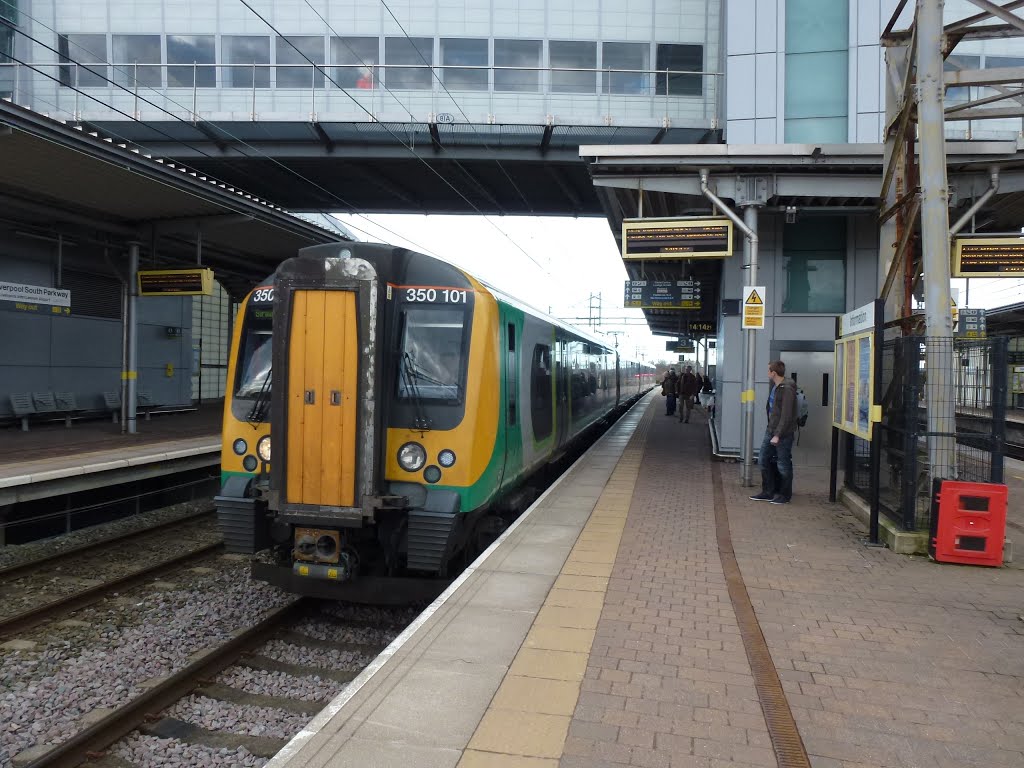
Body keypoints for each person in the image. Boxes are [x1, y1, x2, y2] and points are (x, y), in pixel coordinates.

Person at [750, 360, 798, 504]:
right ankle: (768, 492)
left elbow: (786, 415)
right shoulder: (777, 387)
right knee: (763, 460)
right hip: (771, 430)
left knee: (783, 464)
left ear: (774, 373)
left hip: (782, 434)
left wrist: (777, 434)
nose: (767, 373)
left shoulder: (787, 389)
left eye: (768, 370)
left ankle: (784, 495)